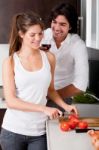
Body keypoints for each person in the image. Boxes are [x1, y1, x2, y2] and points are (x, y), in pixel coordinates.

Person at [0, 11, 78, 150]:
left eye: (40, 33)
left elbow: (51, 90)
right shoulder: (11, 62)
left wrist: (65, 106)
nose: (38, 38)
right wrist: (43, 108)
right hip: (13, 132)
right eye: (32, 34)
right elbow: (11, 101)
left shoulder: (49, 58)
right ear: (21, 34)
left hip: (39, 132)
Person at [41, 2, 89, 109]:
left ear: (70, 26)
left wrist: (51, 96)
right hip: (39, 94)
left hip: (62, 96)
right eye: (54, 22)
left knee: (53, 125)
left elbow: (80, 85)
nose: (57, 28)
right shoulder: (43, 36)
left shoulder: (77, 45)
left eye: (62, 24)